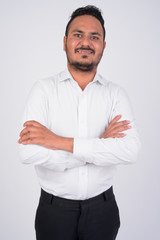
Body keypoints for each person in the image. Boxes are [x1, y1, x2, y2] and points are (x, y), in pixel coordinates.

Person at [18, 5, 141, 240]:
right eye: (78, 35)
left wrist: (57, 141)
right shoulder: (43, 90)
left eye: (94, 37)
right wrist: (100, 145)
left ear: (103, 46)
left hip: (103, 211)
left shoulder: (116, 94)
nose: (86, 42)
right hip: (54, 212)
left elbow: (130, 151)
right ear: (64, 42)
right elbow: (26, 152)